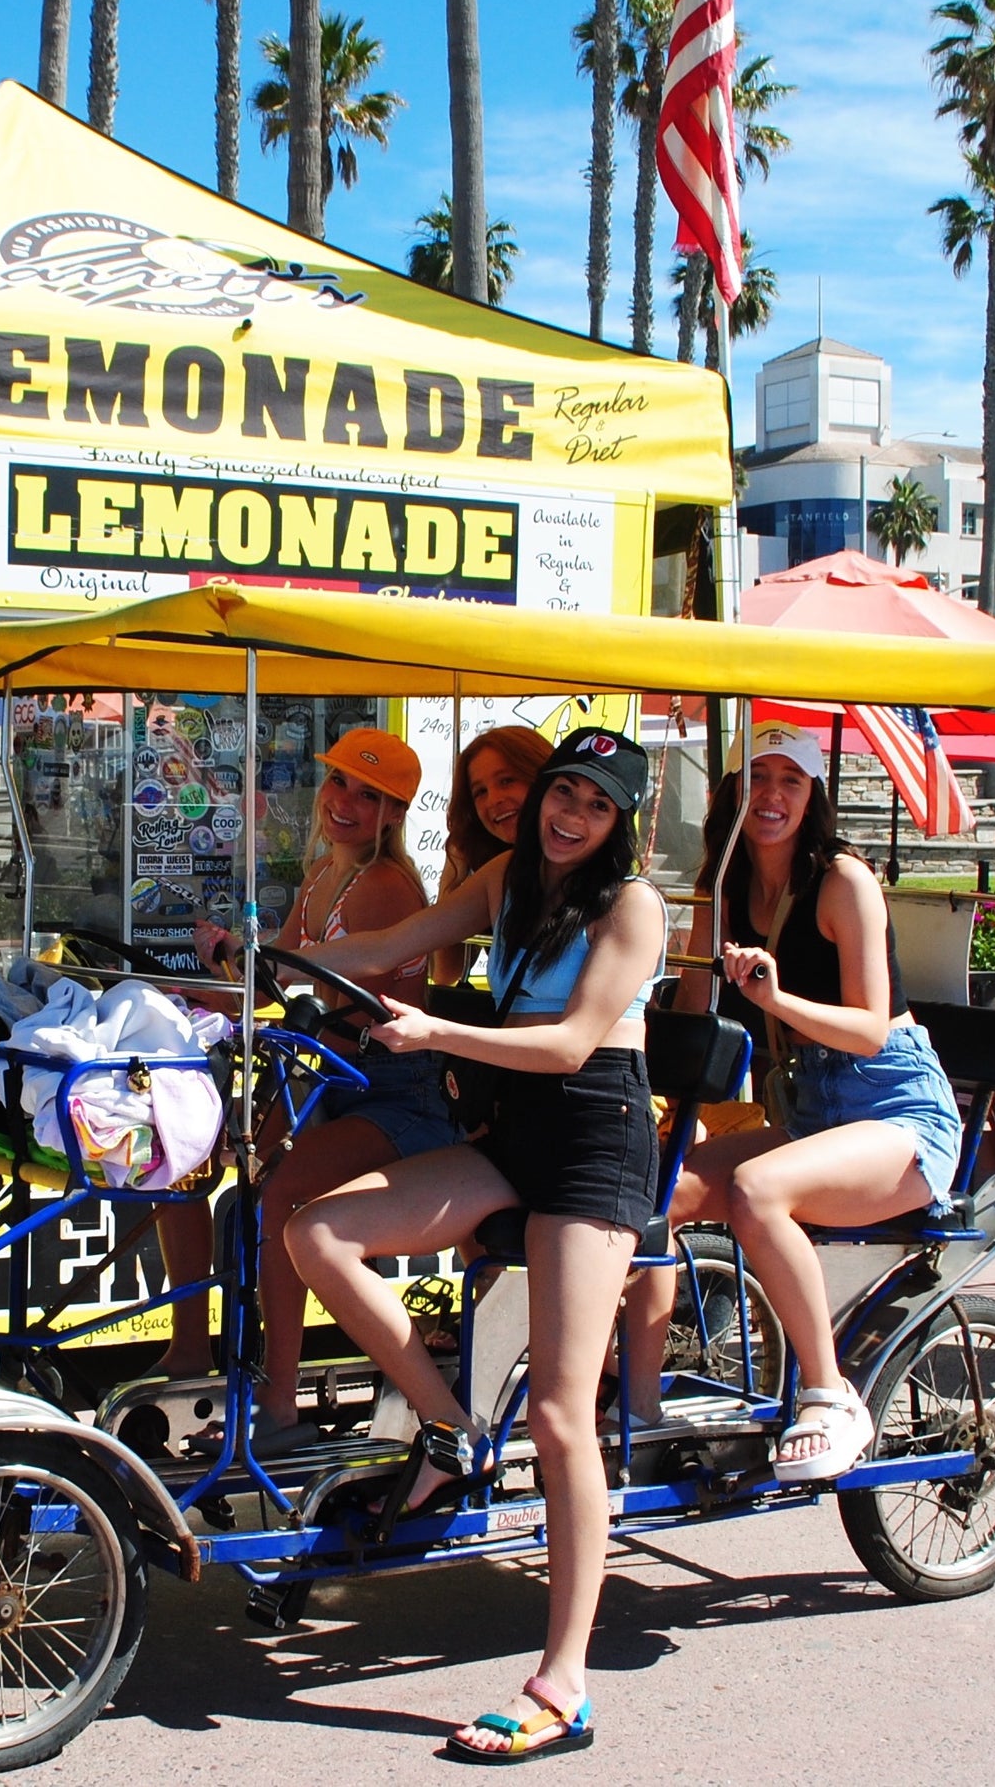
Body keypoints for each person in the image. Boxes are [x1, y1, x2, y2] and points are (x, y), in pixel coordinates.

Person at [283, 727, 667, 1763]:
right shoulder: (507, 875)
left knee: (556, 1409)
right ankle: (452, 1428)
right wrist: (271, 959)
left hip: (594, 1139)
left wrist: (435, 1033)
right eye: (560, 791)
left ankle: (562, 1684)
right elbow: (382, 944)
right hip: (514, 1133)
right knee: (311, 1230)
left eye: (593, 800)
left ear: (619, 817)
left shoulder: (631, 904)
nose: (567, 812)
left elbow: (570, 1041)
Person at [627, 721, 964, 1478]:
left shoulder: (842, 880)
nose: (771, 796)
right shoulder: (724, 881)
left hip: (897, 1109)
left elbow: (872, 1029)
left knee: (755, 1189)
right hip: (810, 1109)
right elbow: (691, 1016)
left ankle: (829, 1389)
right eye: (757, 778)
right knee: (654, 1191)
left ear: (812, 796)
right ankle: (634, 1403)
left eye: (790, 780)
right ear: (733, 793)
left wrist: (776, 999)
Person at [155, 730, 459, 1452]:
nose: (345, 802)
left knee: (281, 1191)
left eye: (368, 794)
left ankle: (280, 1404)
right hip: (329, 1077)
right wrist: (195, 988)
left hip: (390, 1091)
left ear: (393, 813)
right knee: (188, 1155)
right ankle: (191, 1348)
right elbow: (271, 981)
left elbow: (299, 980)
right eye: (339, 783)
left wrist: (237, 968)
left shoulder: (386, 886)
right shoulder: (327, 871)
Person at [428, 725, 554, 985]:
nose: (494, 799)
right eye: (480, 792)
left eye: (507, 781)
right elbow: (445, 974)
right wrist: (454, 871)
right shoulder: (497, 871)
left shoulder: (585, 870)